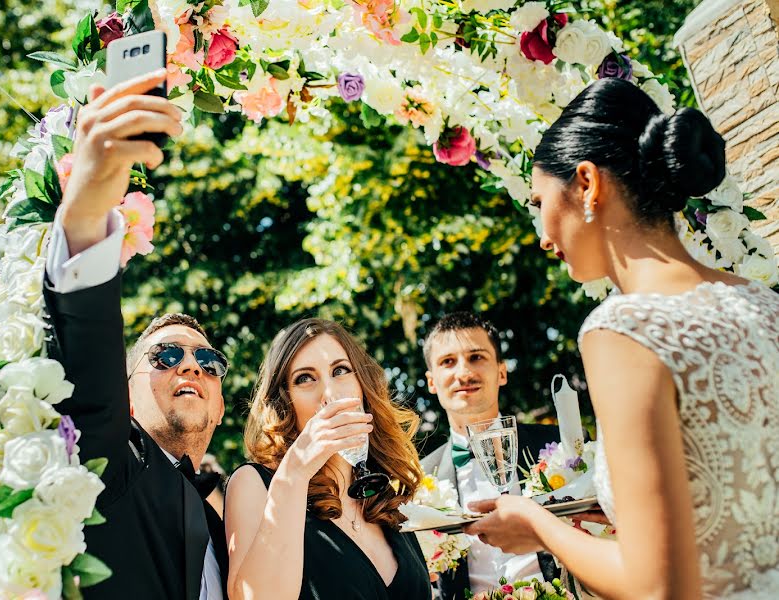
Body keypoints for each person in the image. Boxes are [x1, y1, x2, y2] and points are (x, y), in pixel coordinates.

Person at [464, 77, 779, 599]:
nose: (543, 237)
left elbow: (656, 587)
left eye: (539, 202)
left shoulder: (623, 330)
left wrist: (539, 526)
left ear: (586, 184)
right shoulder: (764, 302)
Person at [42, 68, 229, 600]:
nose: (191, 366)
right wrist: (88, 207)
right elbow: (86, 352)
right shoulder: (107, 463)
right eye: (165, 355)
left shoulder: (231, 529)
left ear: (220, 406)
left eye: (208, 362)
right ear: (124, 391)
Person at [223, 318, 432, 600]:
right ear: (284, 402)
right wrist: (295, 473)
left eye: (341, 371)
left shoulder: (382, 495)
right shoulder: (254, 484)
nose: (330, 394)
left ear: (362, 386)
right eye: (305, 378)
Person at [419, 311, 565, 598]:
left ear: (501, 371)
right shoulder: (420, 479)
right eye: (448, 362)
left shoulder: (560, 447)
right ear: (432, 381)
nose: (463, 373)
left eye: (476, 357)